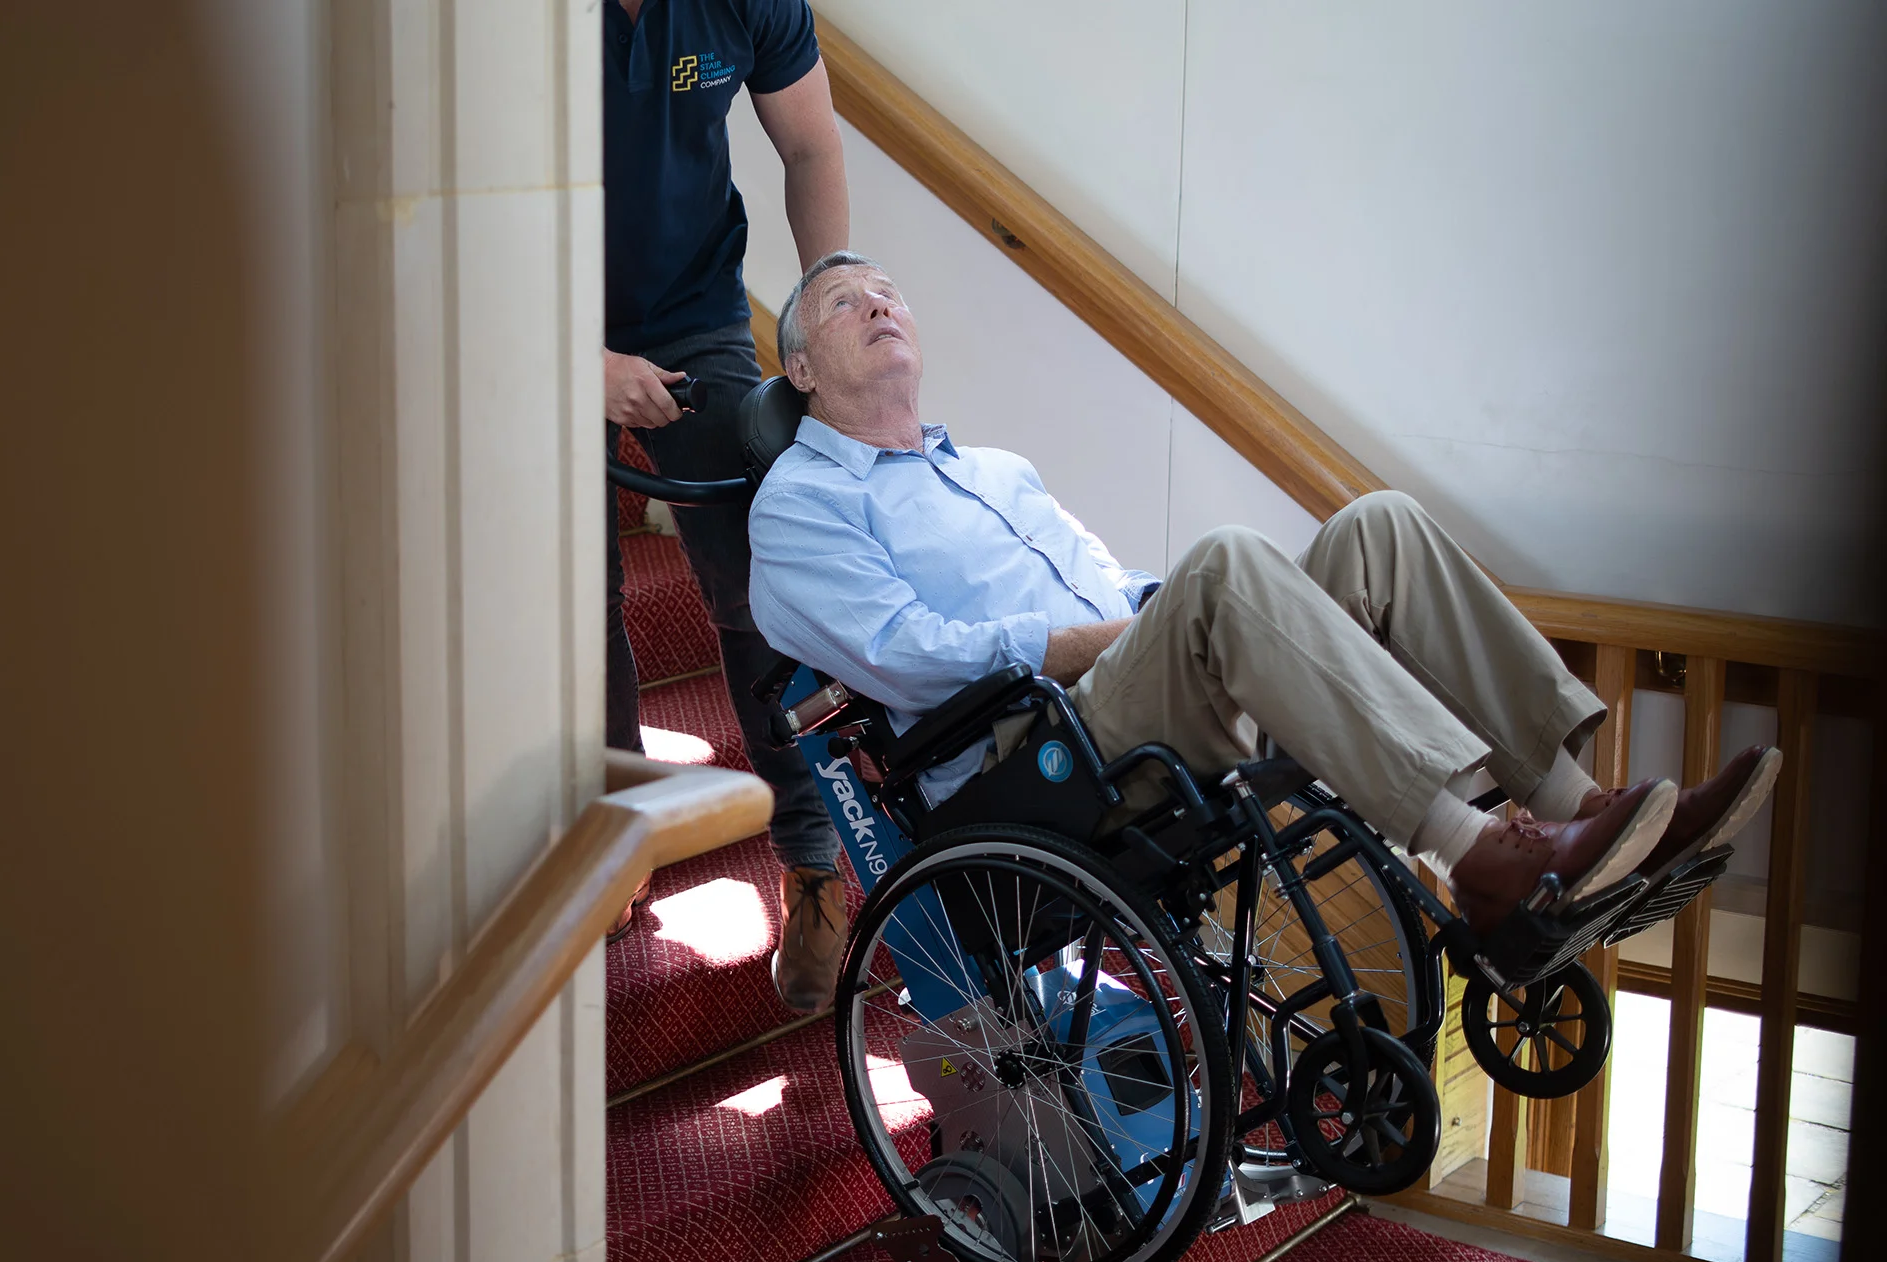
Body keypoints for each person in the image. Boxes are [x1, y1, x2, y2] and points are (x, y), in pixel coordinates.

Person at [747, 252, 1783, 938]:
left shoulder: (995, 469)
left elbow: (1121, 584)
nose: (880, 303)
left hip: (1128, 688)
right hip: (1029, 759)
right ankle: (1478, 858)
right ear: (800, 367)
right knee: (1226, 561)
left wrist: (1183, 609)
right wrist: (1113, 635)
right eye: (845, 302)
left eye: (889, 291)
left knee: (1379, 526)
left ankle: (1578, 815)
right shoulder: (801, 504)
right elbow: (904, 655)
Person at [603, 0, 853, 1012]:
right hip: (530, 311)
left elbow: (811, 145)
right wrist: (580, 361)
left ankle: (812, 857)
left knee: (761, 578)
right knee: (573, 601)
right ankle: (614, 833)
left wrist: (824, 314)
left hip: (694, 310)